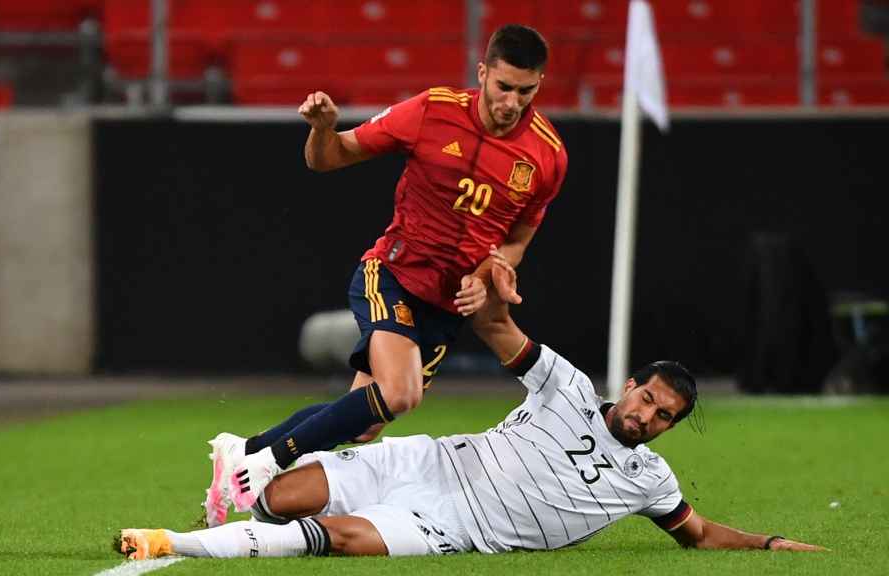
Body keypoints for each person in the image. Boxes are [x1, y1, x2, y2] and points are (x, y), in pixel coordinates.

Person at [117, 254, 824, 559]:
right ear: (632, 383)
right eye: (646, 396)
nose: (645, 414)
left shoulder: (651, 482)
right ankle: (247, 465)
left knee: (336, 537)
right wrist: (485, 285)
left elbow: (697, 535)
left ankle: (170, 544)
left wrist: (765, 543)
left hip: (457, 523)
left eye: (661, 415)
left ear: (667, 427)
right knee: (282, 499)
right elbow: (500, 332)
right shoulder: (569, 386)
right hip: (431, 460)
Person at [204, 23, 569, 527]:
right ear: (483, 73)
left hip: (445, 308)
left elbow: (516, 242)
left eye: (524, 91)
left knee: (361, 423)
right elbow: (328, 159)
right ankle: (262, 465)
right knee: (400, 394)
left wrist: (488, 273)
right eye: (503, 87)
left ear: (539, 85)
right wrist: (321, 128)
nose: (511, 102)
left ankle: (243, 449)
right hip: (392, 273)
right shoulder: (432, 110)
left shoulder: (547, 155)